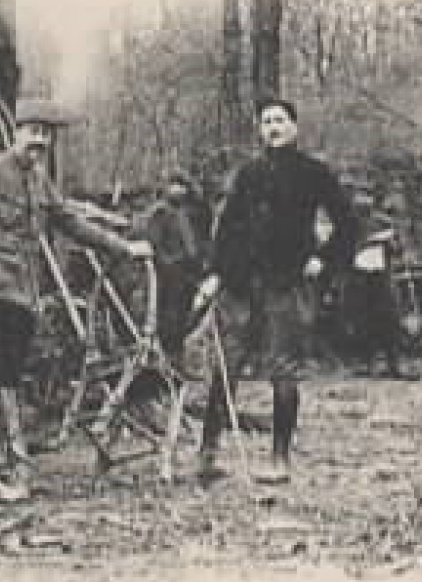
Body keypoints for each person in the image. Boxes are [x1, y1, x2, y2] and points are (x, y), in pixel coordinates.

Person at [0, 99, 153, 499]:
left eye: (46, 134)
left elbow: (70, 223)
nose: (39, 140)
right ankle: (15, 465)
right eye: (32, 131)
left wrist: (123, 248)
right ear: (16, 132)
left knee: (4, 377)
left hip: (22, 295)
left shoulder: (39, 182)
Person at [191, 98, 355, 484]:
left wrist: (325, 260)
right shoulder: (247, 174)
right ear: (260, 130)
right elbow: (227, 228)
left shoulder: (314, 173)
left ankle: (279, 459)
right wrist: (215, 273)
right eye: (266, 121)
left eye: (280, 120)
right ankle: (208, 453)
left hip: (287, 286)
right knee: (225, 368)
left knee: (283, 370)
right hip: (241, 287)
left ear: (294, 128)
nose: (273, 127)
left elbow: (347, 223)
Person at [138, 171, 209, 359]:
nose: (179, 190)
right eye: (174, 185)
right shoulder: (159, 212)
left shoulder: (185, 213)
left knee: (183, 318)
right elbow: (154, 245)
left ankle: (177, 358)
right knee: (169, 320)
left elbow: (193, 243)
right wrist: (168, 264)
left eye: (182, 186)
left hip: (186, 274)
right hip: (169, 275)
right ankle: (169, 359)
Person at [342, 189, 405, 378]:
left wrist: (391, 243)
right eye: (360, 198)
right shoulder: (348, 223)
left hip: (381, 277)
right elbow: (342, 247)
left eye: (367, 197)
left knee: (389, 318)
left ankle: (393, 364)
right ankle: (368, 364)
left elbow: (398, 250)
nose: (363, 201)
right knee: (363, 320)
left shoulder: (384, 223)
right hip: (359, 277)